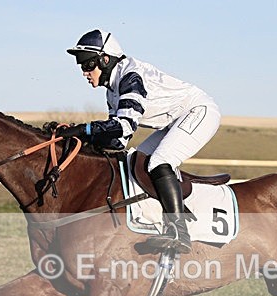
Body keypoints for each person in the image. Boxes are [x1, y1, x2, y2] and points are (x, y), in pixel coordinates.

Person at [52, 29, 221, 254]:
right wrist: (78, 141)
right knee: (136, 160)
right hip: (174, 121)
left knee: (159, 162)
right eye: (81, 65)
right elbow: (118, 142)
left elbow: (124, 125)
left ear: (105, 60)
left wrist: (84, 129)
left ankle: (179, 233)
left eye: (87, 63)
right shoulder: (112, 91)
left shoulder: (130, 77)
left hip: (199, 111)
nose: (84, 71)